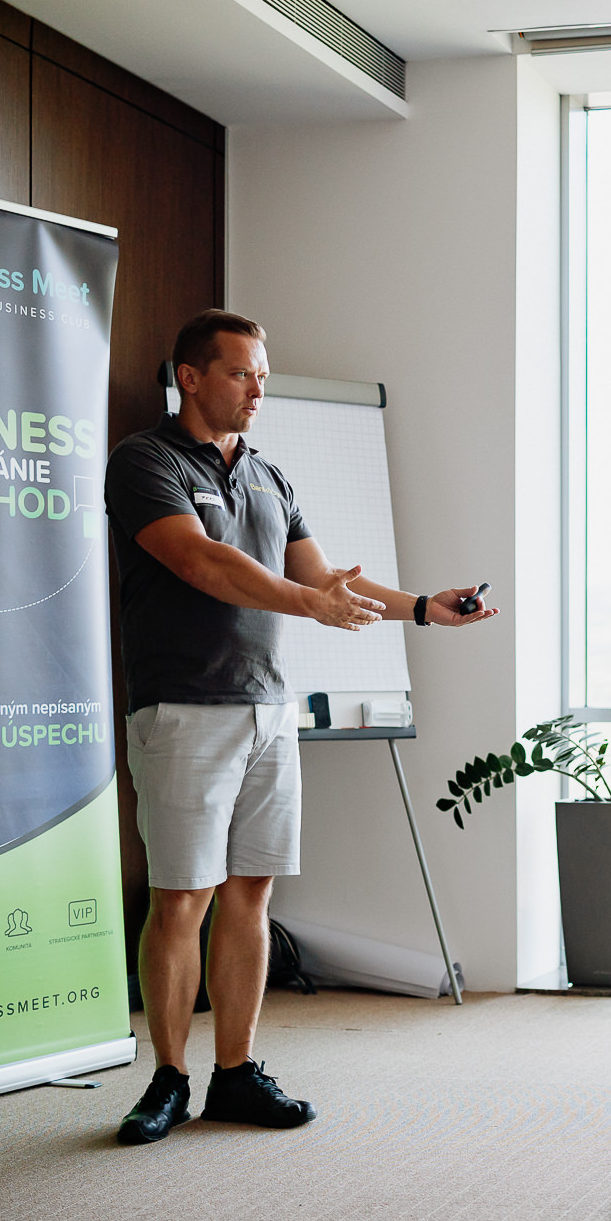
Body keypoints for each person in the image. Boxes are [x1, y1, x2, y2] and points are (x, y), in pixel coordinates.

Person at [104, 309, 497, 1146]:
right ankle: (168, 1077)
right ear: (191, 377)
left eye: (262, 374)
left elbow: (321, 577)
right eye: (240, 373)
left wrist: (420, 608)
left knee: (251, 892)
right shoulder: (145, 461)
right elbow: (202, 562)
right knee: (182, 897)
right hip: (183, 709)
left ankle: (235, 1072)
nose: (257, 389)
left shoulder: (270, 476)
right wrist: (311, 603)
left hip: (268, 709)